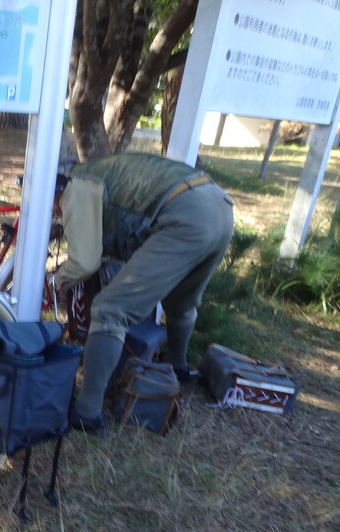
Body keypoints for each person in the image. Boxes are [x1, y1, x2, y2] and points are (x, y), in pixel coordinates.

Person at [53, 153, 234, 435]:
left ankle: (87, 412)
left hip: (183, 214)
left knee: (110, 310)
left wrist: (55, 281)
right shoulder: (99, 172)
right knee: (181, 301)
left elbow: (84, 263)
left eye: (54, 208)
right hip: (218, 207)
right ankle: (176, 367)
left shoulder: (77, 185)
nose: (56, 213)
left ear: (56, 188)